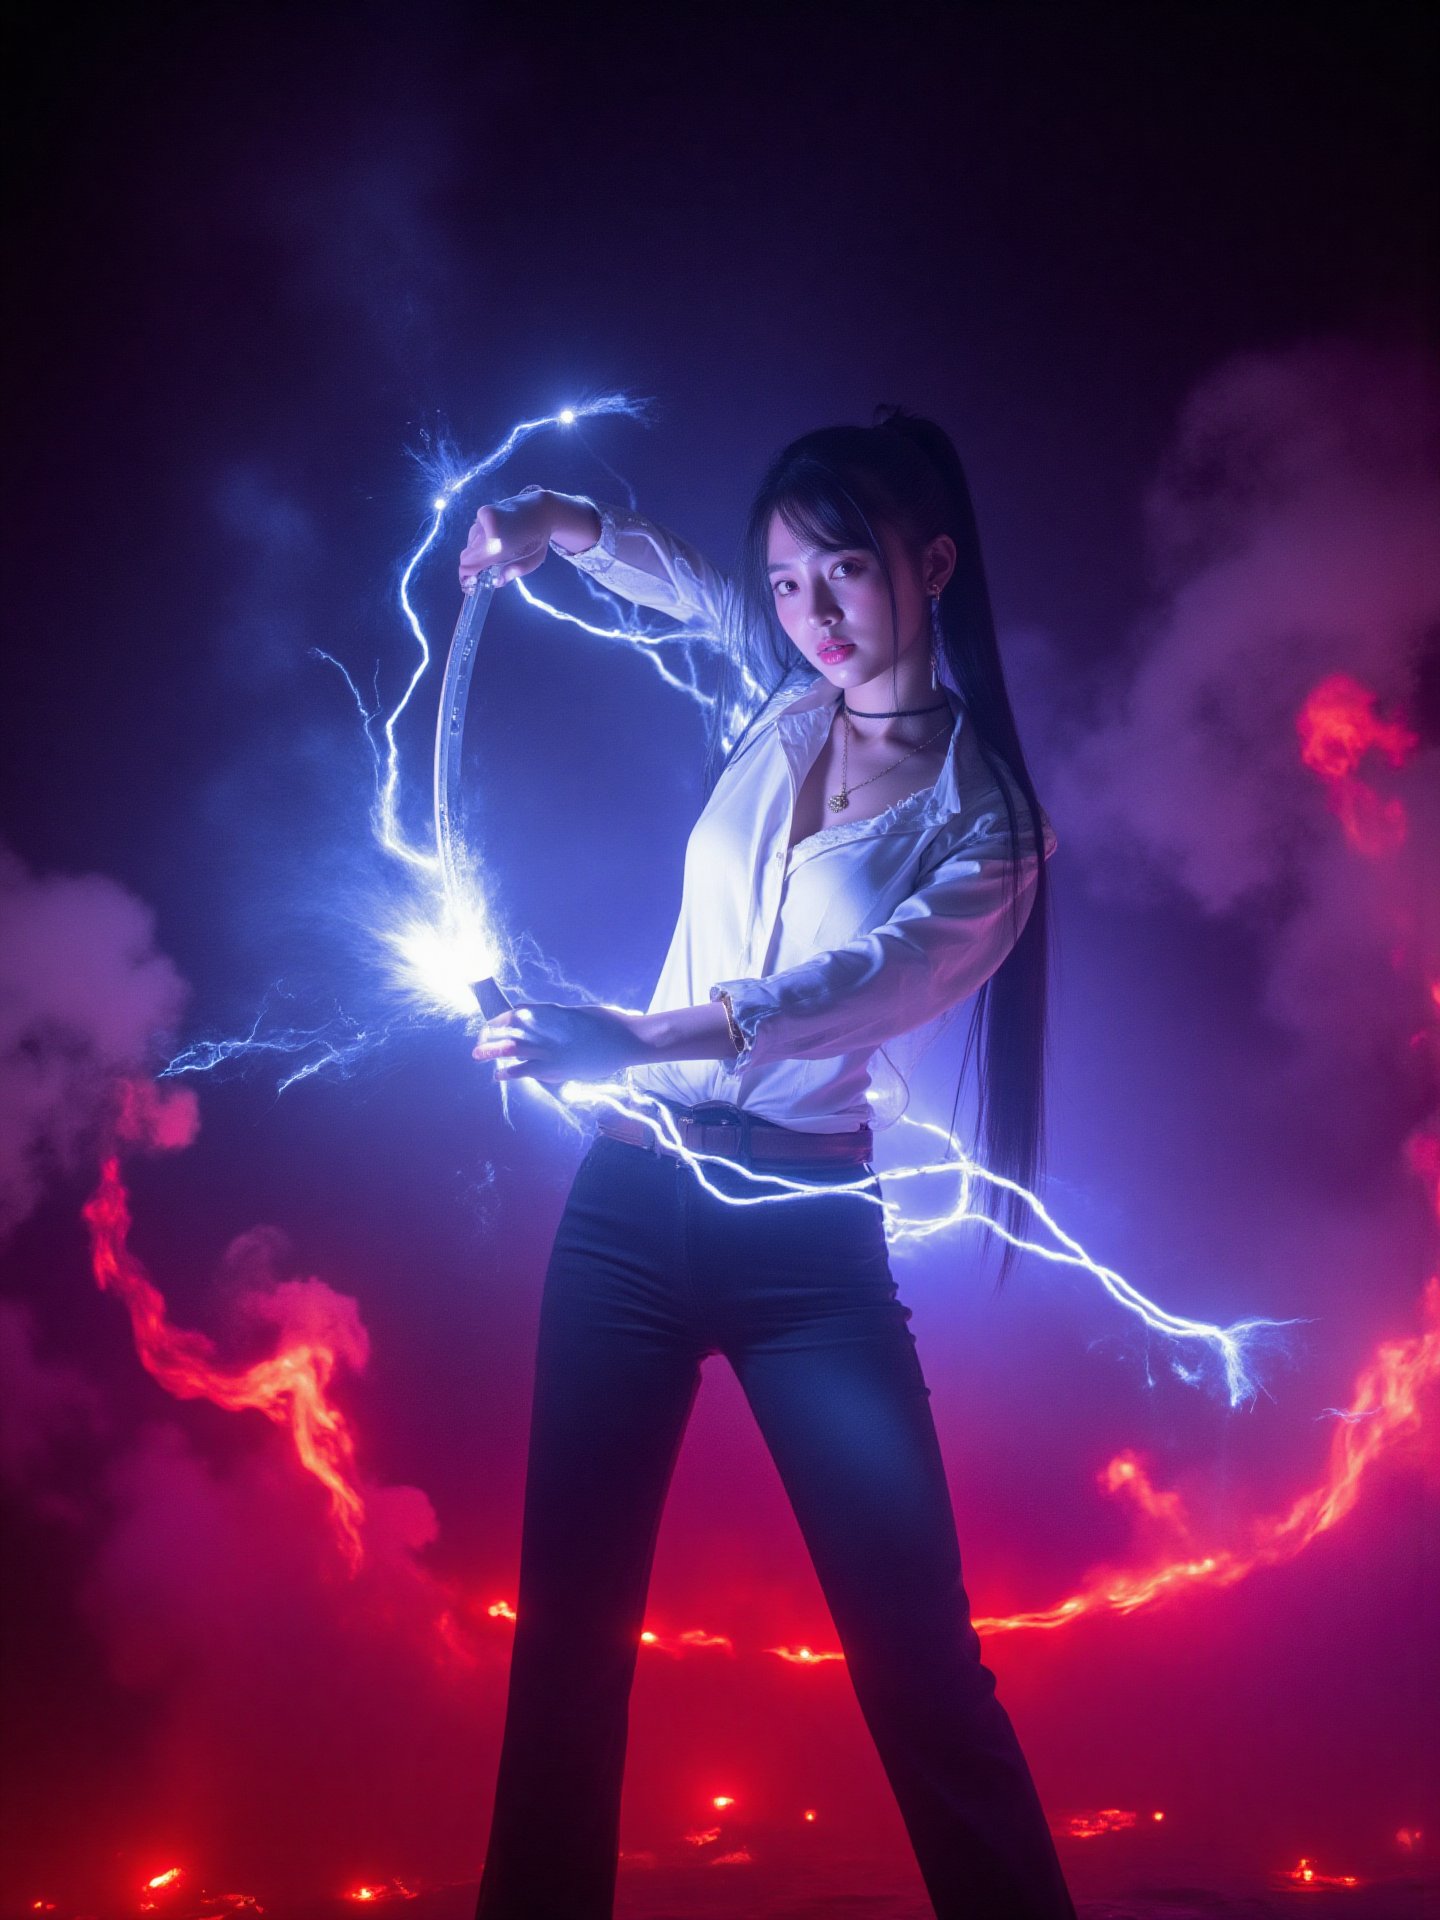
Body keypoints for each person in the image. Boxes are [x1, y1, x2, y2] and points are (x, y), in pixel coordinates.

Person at [458, 407, 1075, 1919]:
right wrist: (558, 523)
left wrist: (639, 1033)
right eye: (789, 583)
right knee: (568, 1651)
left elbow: (854, 984)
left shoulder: (986, 827)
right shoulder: (784, 700)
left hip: (804, 1240)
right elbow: (681, 578)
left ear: (932, 568)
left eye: (846, 574)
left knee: (917, 1662)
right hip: (625, 1212)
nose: (811, 615)